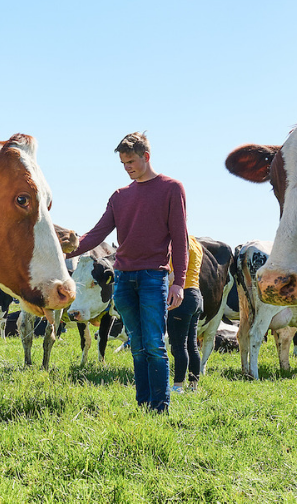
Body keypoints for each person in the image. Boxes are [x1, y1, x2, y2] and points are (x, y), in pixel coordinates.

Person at [68, 132, 188, 412]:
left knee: (155, 344)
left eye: (131, 161)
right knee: (137, 346)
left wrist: (178, 281)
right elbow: (96, 234)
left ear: (146, 157)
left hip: (153, 277)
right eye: (123, 163)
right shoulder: (120, 196)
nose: (127, 167)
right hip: (123, 279)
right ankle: (144, 405)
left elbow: (180, 238)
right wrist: (64, 252)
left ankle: (160, 407)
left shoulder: (171, 188)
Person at [167, 235, 203, 394]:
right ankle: (193, 385)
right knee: (192, 345)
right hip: (196, 294)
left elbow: (175, 274)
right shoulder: (196, 243)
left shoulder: (178, 243)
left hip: (182, 295)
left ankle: (178, 386)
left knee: (179, 345)